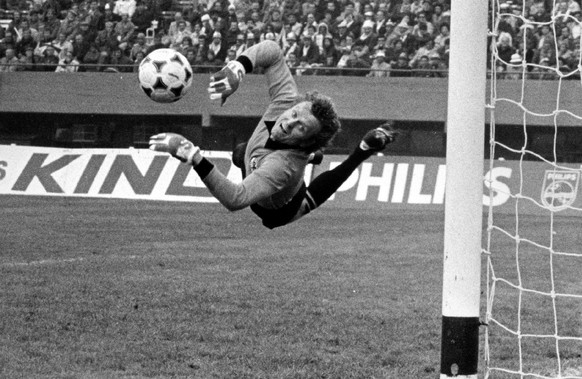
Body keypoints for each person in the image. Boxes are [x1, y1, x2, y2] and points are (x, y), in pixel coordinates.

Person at [149, 40, 396, 229]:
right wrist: (238, 68)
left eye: (301, 127)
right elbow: (274, 52)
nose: (290, 122)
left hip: (276, 209)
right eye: (295, 114)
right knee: (241, 153)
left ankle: (361, 152)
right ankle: (312, 156)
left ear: (306, 140)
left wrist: (191, 154)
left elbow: (236, 198)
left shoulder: (282, 166)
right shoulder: (287, 101)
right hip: (259, 158)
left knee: (305, 196)